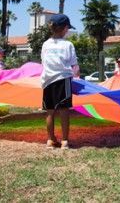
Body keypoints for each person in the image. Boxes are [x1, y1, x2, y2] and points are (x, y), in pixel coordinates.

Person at [41, 14, 79, 150]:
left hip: (48, 81)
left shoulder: (45, 44)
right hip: (63, 80)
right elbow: (74, 65)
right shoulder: (68, 45)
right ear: (64, 28)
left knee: (49, 112)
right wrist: (77, 76)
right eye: (67, 28)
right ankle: (64, 141)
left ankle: (50, 140)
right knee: (64, 111)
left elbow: (44, 62)